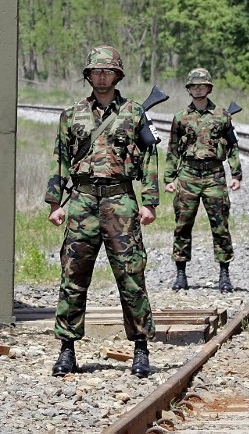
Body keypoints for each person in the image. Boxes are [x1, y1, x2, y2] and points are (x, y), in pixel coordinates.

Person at [44, 45, 158, 378]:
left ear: (118, 74)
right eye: (97, 71)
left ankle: (140, 348)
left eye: (108, 70)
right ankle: (67, 349)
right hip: (80, 200)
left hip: (120, 200)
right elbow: (60, 159)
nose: (102, 75)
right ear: (88, 75)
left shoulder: (135, 113)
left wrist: (149, 201)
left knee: (131, 275)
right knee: (73, 275)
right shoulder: (71, 115)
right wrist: (55, 203)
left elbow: (150, 158)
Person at [164, 68, 241, 293]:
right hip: (188, 174)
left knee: (220, 225)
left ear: (209, 88)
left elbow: (233, 145)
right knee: (183, 224)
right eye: (194, 86)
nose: (198, 89)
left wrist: (236, 174)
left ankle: (224, 274)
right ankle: (180, 274)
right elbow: (172, 150)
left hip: (214, 175)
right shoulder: (180, 117)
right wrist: (170, 177)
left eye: (202, 85)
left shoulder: (222, 115)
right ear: (189, 89)